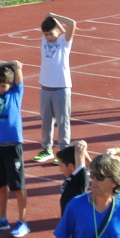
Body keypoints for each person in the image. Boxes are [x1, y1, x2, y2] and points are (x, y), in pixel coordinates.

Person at [0, 60, 30, 237]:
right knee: (0, 185)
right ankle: (2, 219)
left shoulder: (16, 92)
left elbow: (18, 71)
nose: (1, 88)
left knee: (17, 185)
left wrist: (14, 66)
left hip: (12, 146)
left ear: (11, 84)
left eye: (4, 86)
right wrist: (5, 63)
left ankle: (23, 221)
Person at [36, 13, 77, 163]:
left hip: (61, 87)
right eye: (46, 35)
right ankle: (47, 149)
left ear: (58, 32)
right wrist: (51, 22)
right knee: (46, 120)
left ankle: (64, 151)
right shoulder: (43, 39)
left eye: (51, 34)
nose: (48, 37)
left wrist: (55, 17)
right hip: (45, 86)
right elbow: (48, 31)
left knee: (62, 120)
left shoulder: (64, 41)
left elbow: (72, 23)